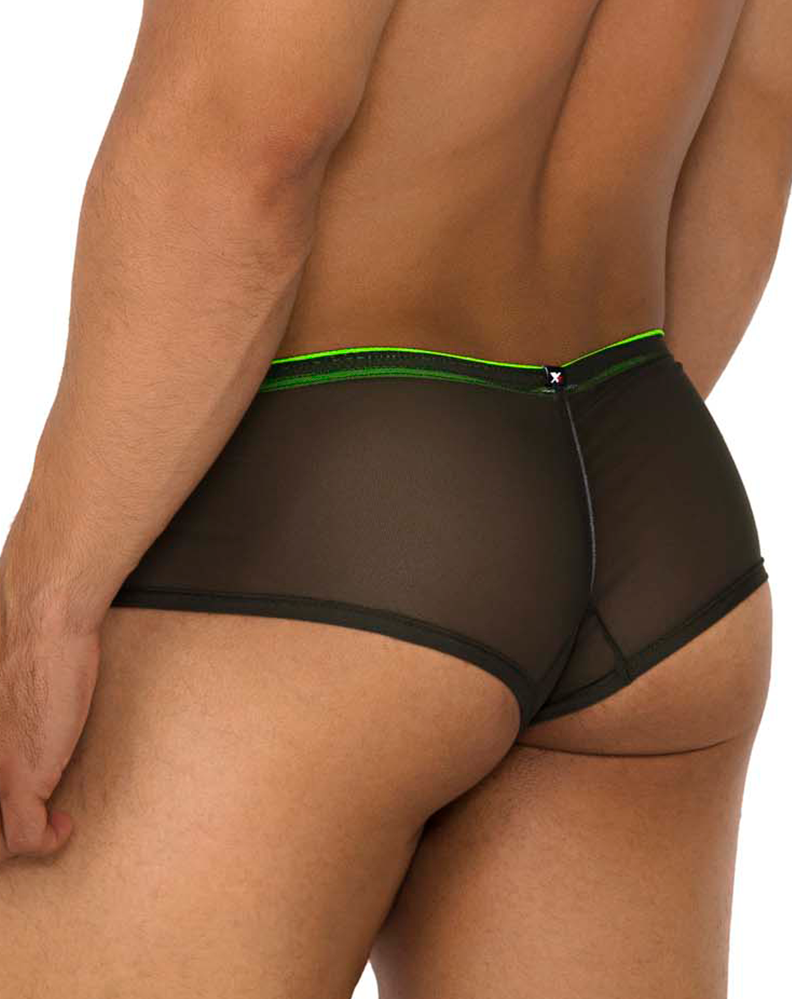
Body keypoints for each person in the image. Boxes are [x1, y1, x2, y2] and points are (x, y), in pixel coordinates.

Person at [0, 0, 789, 995]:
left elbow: (245, 140)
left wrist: (44, 598)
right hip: (656, 496)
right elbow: (758, 114)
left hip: (332, 508)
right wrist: (552, 496)